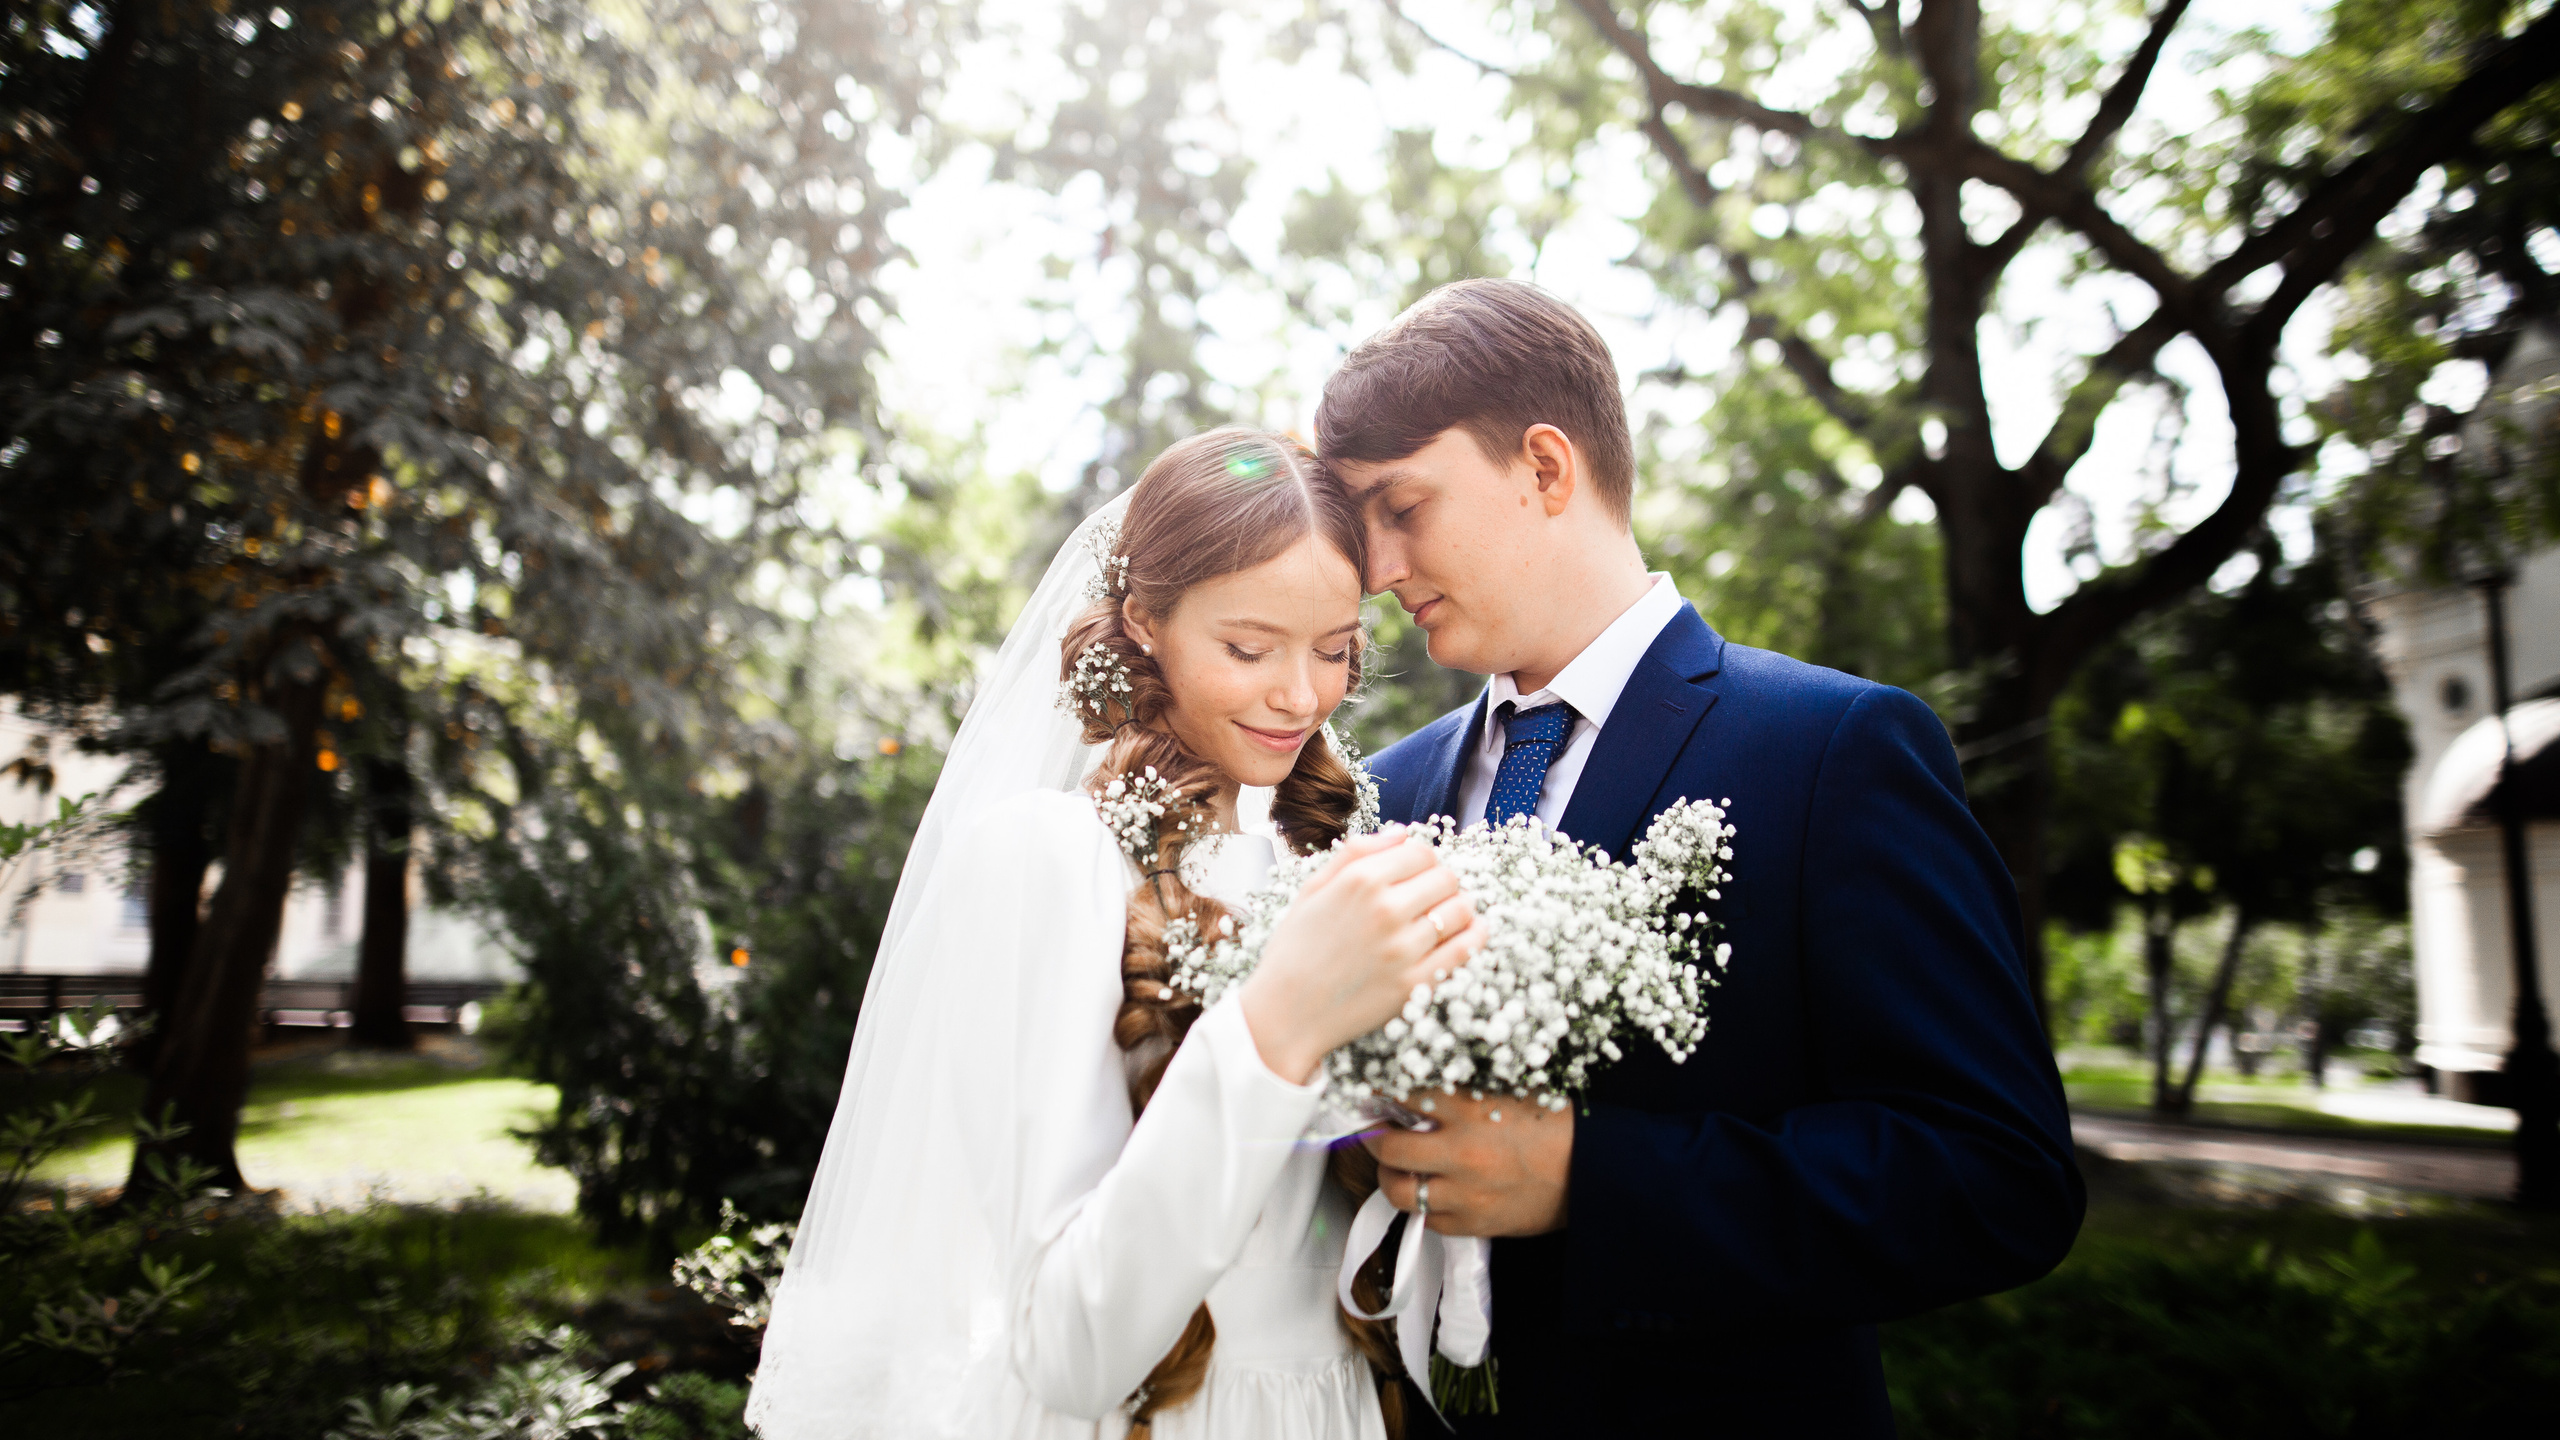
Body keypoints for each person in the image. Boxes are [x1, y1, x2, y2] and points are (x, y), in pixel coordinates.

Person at [1317, 279, 2085, 1434]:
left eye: (1402, 506)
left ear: (1543, 468)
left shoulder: (1833, 749)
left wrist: (1592, 1180)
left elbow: (1995, 1173)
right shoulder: (1384, 790)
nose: (1374, 566)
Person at [747, 428, 1484, 1439]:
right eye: (1247, 646)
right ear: (1143, 620)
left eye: (1334, 650)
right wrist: (1277, 1026)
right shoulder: (1047, 862)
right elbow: (1069, 1346)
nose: (1299, 696)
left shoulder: (1326, 867)